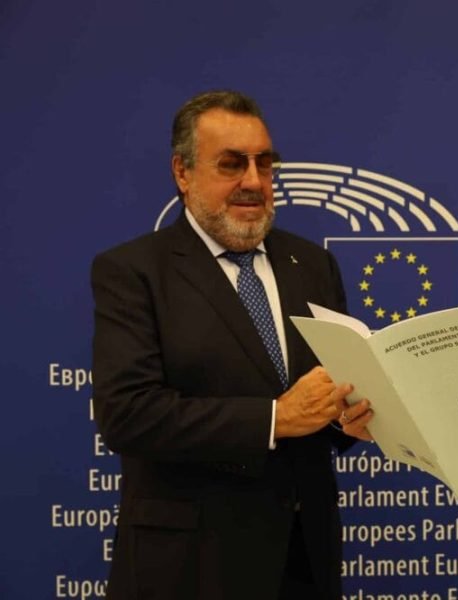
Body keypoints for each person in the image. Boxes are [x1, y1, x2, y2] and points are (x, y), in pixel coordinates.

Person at [91, 90, 372, 600]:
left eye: (265, 164)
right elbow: (127, 415)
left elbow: (330, 399)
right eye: (231, 164)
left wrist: (350, 417)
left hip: (303, 560)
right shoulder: (133, 272)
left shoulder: (312, 264)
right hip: (189, 567)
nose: (253, 181)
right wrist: (275, 419)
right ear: (183, 172)